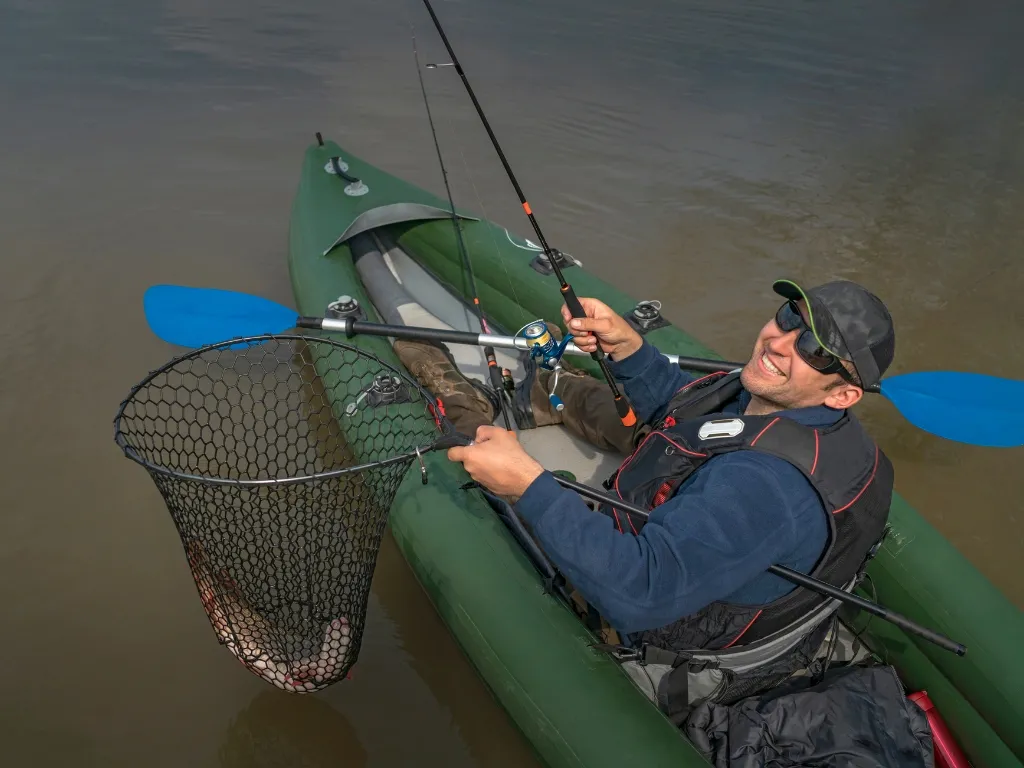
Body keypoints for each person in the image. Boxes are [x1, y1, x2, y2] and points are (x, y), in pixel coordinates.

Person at [393, 278, 897, 718]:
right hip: (728, 586)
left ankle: (443, 385)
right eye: (789, 317)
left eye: (813, 350)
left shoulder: (765, 486)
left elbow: (641, 592)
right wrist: (631, 349)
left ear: (844, 394)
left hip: (664, 632)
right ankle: (515, 394)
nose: (779, 342)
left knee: (483, 461)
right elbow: (693, 415)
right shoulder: (794, 414)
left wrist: (527, 482)